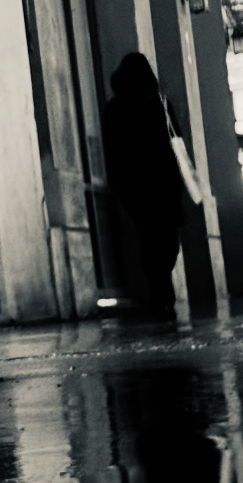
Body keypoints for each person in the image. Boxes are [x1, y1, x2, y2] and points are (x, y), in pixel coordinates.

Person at [102, 52, 186, 316]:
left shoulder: (117, 108)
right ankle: (162, 288)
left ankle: (159, 286)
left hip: (137, 187)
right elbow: (176, 143)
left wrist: (120, 184)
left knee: (150, 239)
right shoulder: (158, 104)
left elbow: (112, 151)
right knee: (165, 240)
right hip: (160, 184)